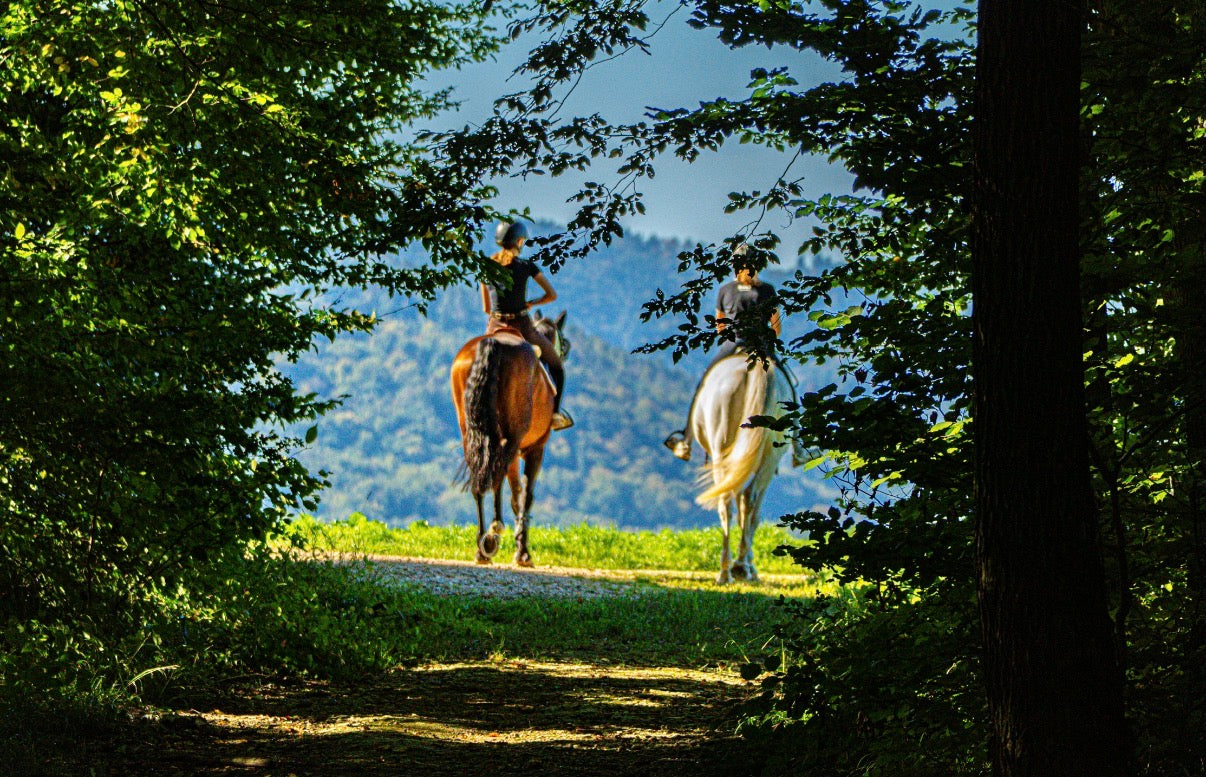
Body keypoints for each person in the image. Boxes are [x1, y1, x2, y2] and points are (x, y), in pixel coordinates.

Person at [664, 243, 802, 463]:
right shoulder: (766, 291)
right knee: (788, 384)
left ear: (734, 267)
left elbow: (721, 327)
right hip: (760, 347)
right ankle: (798, 446)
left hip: (733, 344)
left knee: (704, 384)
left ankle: (685, 439)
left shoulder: (725, 291)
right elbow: (776, 326)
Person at [481, 220, 573, 431]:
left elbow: (487, 308)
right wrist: (533, 303)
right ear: (520, 242)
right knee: (557, 366)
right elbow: (552, 295)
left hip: (494, 327)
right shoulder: (526, 267)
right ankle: (555, 415)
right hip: (521, 326)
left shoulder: (487, 267)